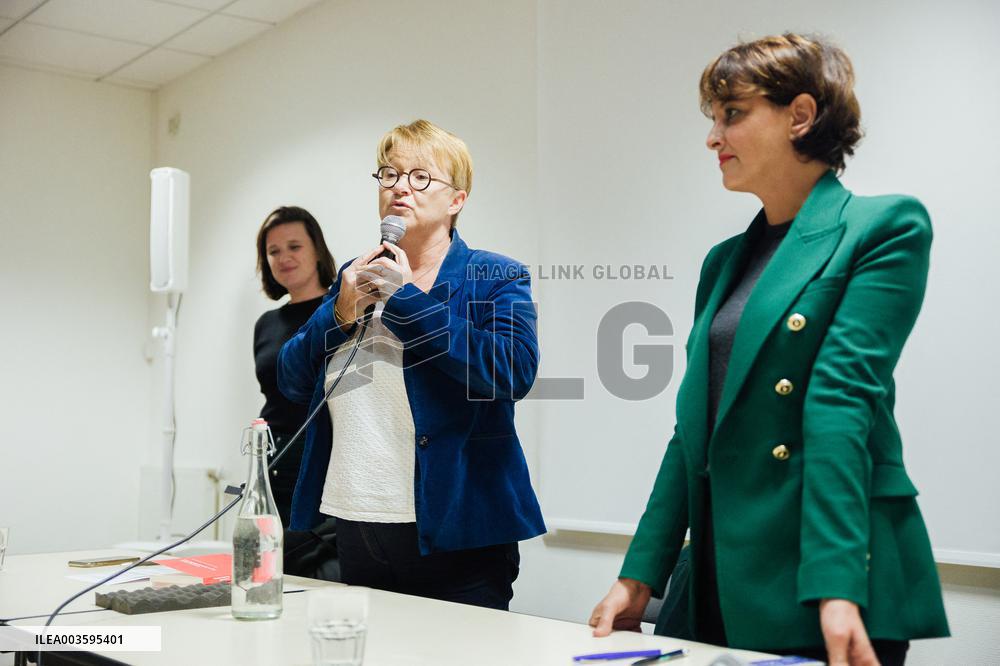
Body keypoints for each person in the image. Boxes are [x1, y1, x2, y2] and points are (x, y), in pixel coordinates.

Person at [589, 33, 948, 665]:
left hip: (828, 567)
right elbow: (694, 430)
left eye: (733, 114)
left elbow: (841, 403)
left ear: (800, 116)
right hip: (719, 576)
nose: (713, 137)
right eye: (713, 119)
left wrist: (838, 587)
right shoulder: (723, 261)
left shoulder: (884, 227)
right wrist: (641, 572)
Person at [278, 119, 545, 610]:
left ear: (456, 200)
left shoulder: (495, 276)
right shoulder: (353, 275)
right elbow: (291, 379)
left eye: (421, 177)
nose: (400, 187)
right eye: (389, 174)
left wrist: (405, 300)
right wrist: (341, 311)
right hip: (357, 525)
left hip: (458, 533)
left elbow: (511, 371)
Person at [253, 205, 336, 526]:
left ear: (317, 250)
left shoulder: (341, 310)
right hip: (273, 457)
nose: (283, 257)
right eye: (273, 251)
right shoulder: (266, 324)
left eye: (294, 246)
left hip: (322, 457)